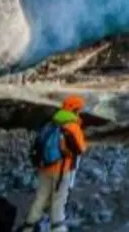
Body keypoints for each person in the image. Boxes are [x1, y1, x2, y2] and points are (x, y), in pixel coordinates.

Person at [20, 95, 88, 232]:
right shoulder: (72, 126)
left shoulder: (51, 123)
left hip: (44, 167)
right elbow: (81, 148)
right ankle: (58, 228)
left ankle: (28, 227)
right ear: (75, 110)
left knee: (40, 198)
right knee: (58, 201)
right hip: (62, 169)